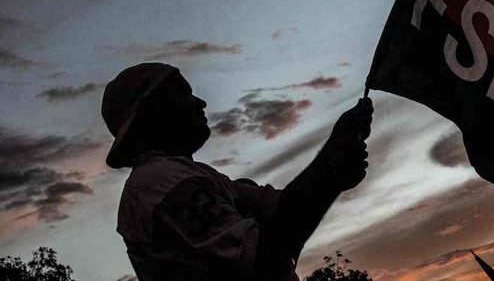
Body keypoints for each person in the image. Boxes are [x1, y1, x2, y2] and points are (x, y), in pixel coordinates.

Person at [102, 63, 373, 280]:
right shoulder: (159, 183)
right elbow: (268, 250)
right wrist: (330, 168)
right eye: (183, 92)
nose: (200, 102)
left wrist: (332, 170)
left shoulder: (191, 176)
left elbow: (282, 210)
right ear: (153, 110)